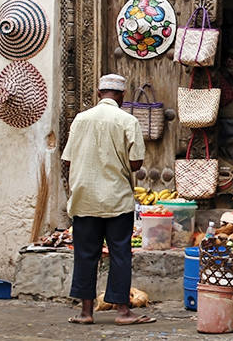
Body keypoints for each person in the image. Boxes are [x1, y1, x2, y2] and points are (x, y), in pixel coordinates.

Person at [61, 74, 155, 326]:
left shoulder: (80, 119)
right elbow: (135, 164)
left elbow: (68, 159)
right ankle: (123, 312)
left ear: (98, 93)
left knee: (85, 254)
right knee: (120, 254)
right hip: (116, 198)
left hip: (84, 198)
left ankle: (86, 313)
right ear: (122, 96)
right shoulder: (128, 120)